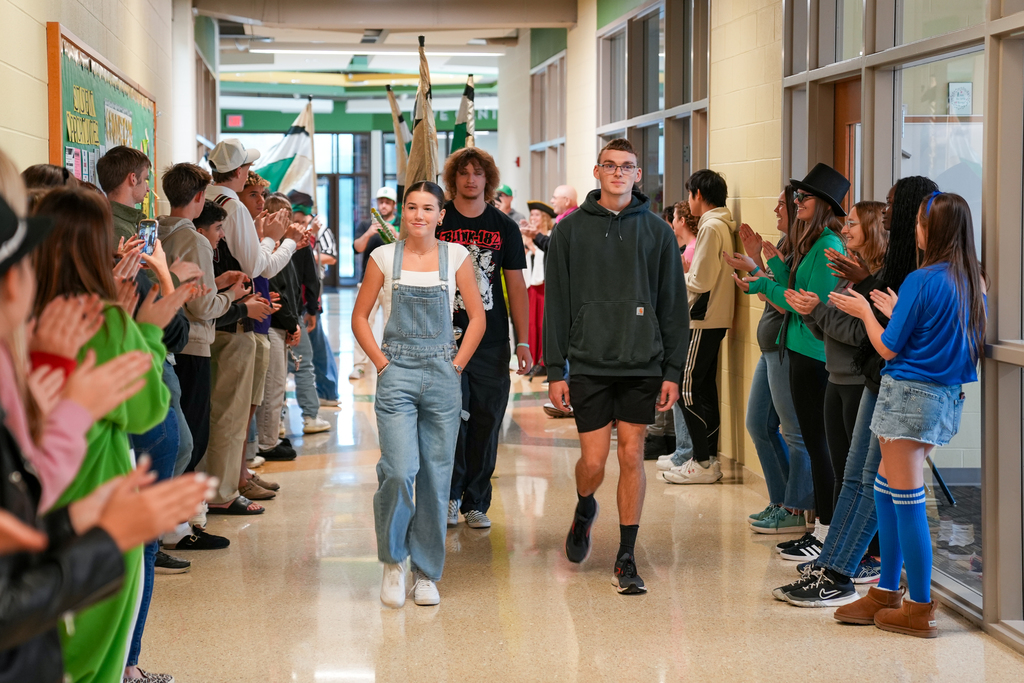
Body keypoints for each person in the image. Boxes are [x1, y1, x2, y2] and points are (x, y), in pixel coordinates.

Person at [30, 186, 194, 683]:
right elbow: (145, 410)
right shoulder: (105, 319)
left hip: (33, 509)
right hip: (101, 501)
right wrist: (142, 329)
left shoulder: (21, 319)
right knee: (96, 659)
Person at [773, 177, 938, 606]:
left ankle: (859, 576)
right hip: (880, 382)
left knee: (879, 487)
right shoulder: (908, 267)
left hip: (900, 388)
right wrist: (864, 289)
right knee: (860, 479)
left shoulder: (927, 275)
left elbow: (890, 341)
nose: (885, 212)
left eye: (891, 206)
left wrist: (864, 302)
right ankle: (844, 569)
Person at [828, 191, 984, 638]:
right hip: (942, 400)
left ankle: (917, 606)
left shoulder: (922, 278)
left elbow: (888, 347)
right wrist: (896, 313)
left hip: (908, 399)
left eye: (917, 221)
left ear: (931, 230)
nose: (912, 229)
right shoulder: (973, 279)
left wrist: (864, 312)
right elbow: (942, 338)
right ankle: (885, 591)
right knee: (884, 491)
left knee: (908, 501)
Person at [545, 138, 689, 594]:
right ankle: (585, 505)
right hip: (588, 361)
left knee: (631, 454)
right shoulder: (569, 232)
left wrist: (672, 371)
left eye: (627, 167)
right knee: (593, 461)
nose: (618, 173)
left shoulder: (659, 233)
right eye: (610, 165)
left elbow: (673, 308)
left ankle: (626, 555)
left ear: (638, 175)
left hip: (641, 362)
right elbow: (557, 306)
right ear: (597, 171)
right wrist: (554, 371)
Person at [352, 181, 485, 608]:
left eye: (428, 208)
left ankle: (426, 572)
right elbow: (360, 316)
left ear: (441, 214)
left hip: (444, 375)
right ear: (402, 213)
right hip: (397, 375)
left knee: (435, 476)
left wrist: (457, 365)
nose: (419, 215)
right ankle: (393, 561)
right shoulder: (383, 257)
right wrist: (382, 363)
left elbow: (477, 317)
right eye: (412, 207)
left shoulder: (457, 257)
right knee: (398, 469)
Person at [735, 163, 850, 561]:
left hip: (812, 354)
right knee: (813, 445)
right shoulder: (814, 246)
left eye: (803, 198)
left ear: (822, 206)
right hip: (798, 351)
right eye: (795, 197)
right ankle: (818, 529)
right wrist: (775, 267)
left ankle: (821, 531)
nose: (795, 202)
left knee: (816, 445)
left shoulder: (829, 247)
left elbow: (806, 307)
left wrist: (763, 281)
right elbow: (797, 289)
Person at [203, 139, 300, 516]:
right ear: (240, 173)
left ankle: (230, 480)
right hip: (233, 319)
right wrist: (280, 239)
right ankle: (224, 490)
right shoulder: (230, 206)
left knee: (227, 411)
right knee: (229, 414)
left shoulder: (212, 199)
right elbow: (258, 265)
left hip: (223, 317)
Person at [438, 147, 532, 530]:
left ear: (488, 179)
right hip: (446, 338)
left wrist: (523, 341)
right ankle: (449, 494)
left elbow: (516, 286)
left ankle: (476, 500)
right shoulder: (439, 221)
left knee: (486, 419)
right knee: (449, 420)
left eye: (478, 173)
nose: (470, 179)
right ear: (453, 178)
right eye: (463, 172)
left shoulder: (504, 227)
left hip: (492, 341)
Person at [720, 188, 814, 534]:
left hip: (785, 348)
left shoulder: (806, 250)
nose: (776, 208)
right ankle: (782, 500)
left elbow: (787, 303)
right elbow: (774, 288)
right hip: (770, 347)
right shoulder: (785, 246)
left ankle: (796, 507)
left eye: (782, 204)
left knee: (794, 433)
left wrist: (757, 274)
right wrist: (756, 262)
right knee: (758, 424)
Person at [664, 169, 736, 484]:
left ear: (698, 195)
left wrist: (678, 278)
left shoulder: (710, 227)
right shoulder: (720, 223)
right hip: (713, 319)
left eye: (690, 194)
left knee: (687, 389)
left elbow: (701, 280)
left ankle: (702, 461)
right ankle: (705, 460)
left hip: (702, 319)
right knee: (704, 390)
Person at [351, 187, 398, 380]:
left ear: (394, 205)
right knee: (363, 323)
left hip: (392, 282)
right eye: (381, 202)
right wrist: (370, 232)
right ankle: (359, 365)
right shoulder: (365, 225)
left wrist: (395, 234)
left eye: (387, 202)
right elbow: (357, 247)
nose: (384, 205)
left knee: (391, 325)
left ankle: (389, 364)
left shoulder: (401, 225)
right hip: (367, 283)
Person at [524, 200, 555, 378]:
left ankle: (544, 361)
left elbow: (546, 256)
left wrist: (534, 248)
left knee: (543, 324)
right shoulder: (528, 236)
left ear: (544, 217)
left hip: (544, 285)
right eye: (532, 214)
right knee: (532, 323)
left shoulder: (549, 235)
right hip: (532, 285)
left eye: (536, 215)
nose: (533, 218)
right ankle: (533, 360)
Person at [96, 146, 152, 244]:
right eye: (145, 179)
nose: (148, 189)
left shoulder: (124, 222)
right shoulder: (119, 230)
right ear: (133, 179)